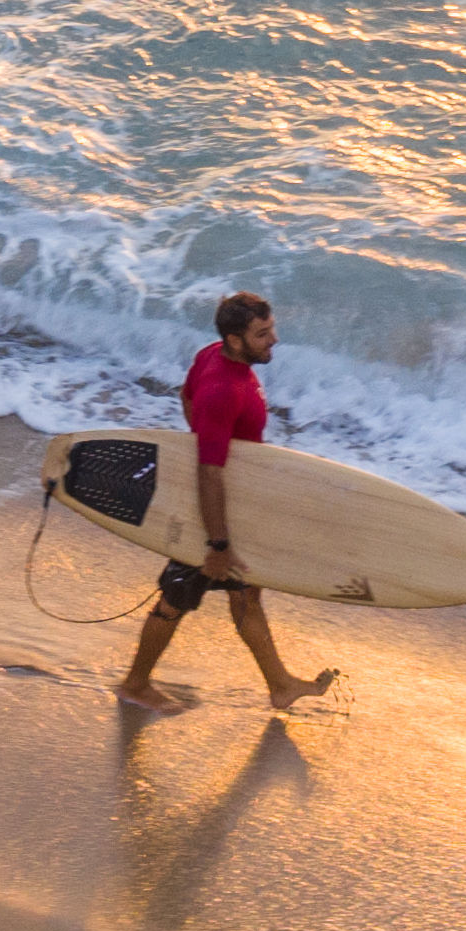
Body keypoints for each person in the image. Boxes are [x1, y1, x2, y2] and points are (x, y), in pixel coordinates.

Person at [114, 292, 337, 717]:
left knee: (247, 596)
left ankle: (281, 686)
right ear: (235, 339)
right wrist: (217, 544)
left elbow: (185, 396)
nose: (273, 340)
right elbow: (208, 471)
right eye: (262, 334)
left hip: (232, 507)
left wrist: (207, 440)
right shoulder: (223, 389)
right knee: (176, 599)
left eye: (271, 328)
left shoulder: (215, 356)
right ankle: (135, 684)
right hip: (211, 514)